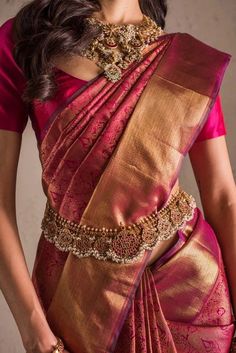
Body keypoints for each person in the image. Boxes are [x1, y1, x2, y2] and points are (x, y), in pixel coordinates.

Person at [0, 0, 235, 352]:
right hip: (74, 299)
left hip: (189, 295)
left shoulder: (187, 64)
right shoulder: (26, 39)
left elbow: (222, 198)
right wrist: (36, 333)